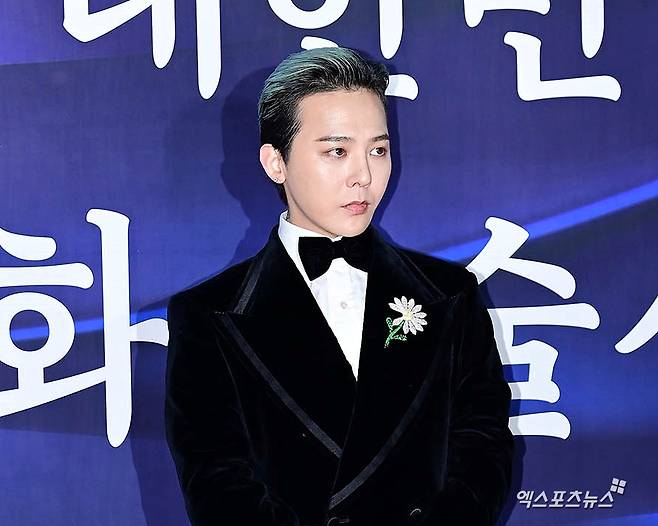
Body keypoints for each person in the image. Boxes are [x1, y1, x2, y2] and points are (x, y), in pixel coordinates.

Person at [165, 47, 514, 526]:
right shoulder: (210, 316)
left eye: (378, 150)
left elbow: (484, 449)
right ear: (275, 163)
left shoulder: (450, 294)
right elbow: (218, 486)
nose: (364, 176)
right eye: (337, 152)